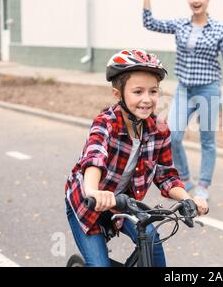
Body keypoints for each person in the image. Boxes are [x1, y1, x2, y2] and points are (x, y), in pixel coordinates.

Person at [64, 49, 208, 267]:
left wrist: (188, 199)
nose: (147, 99)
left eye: (153, 91)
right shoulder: (106, 123)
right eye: (138, 92)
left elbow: (166, 174)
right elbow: (94, 158)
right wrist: (93, 191)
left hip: (124, 201)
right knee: (99, 265)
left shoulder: (159, 129)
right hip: (89, 202)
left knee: (151, 240)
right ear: (118, 94)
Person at [138, 0, 223, 200]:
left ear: (207, 0)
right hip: (184, 89)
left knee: (207, 140)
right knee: (172, 135)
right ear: (188, 1)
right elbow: (149, 23)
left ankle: (203, 184)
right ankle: (184, 178)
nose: (196, 0)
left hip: (208, 90)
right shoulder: (181, 24)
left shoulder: (219, 28)